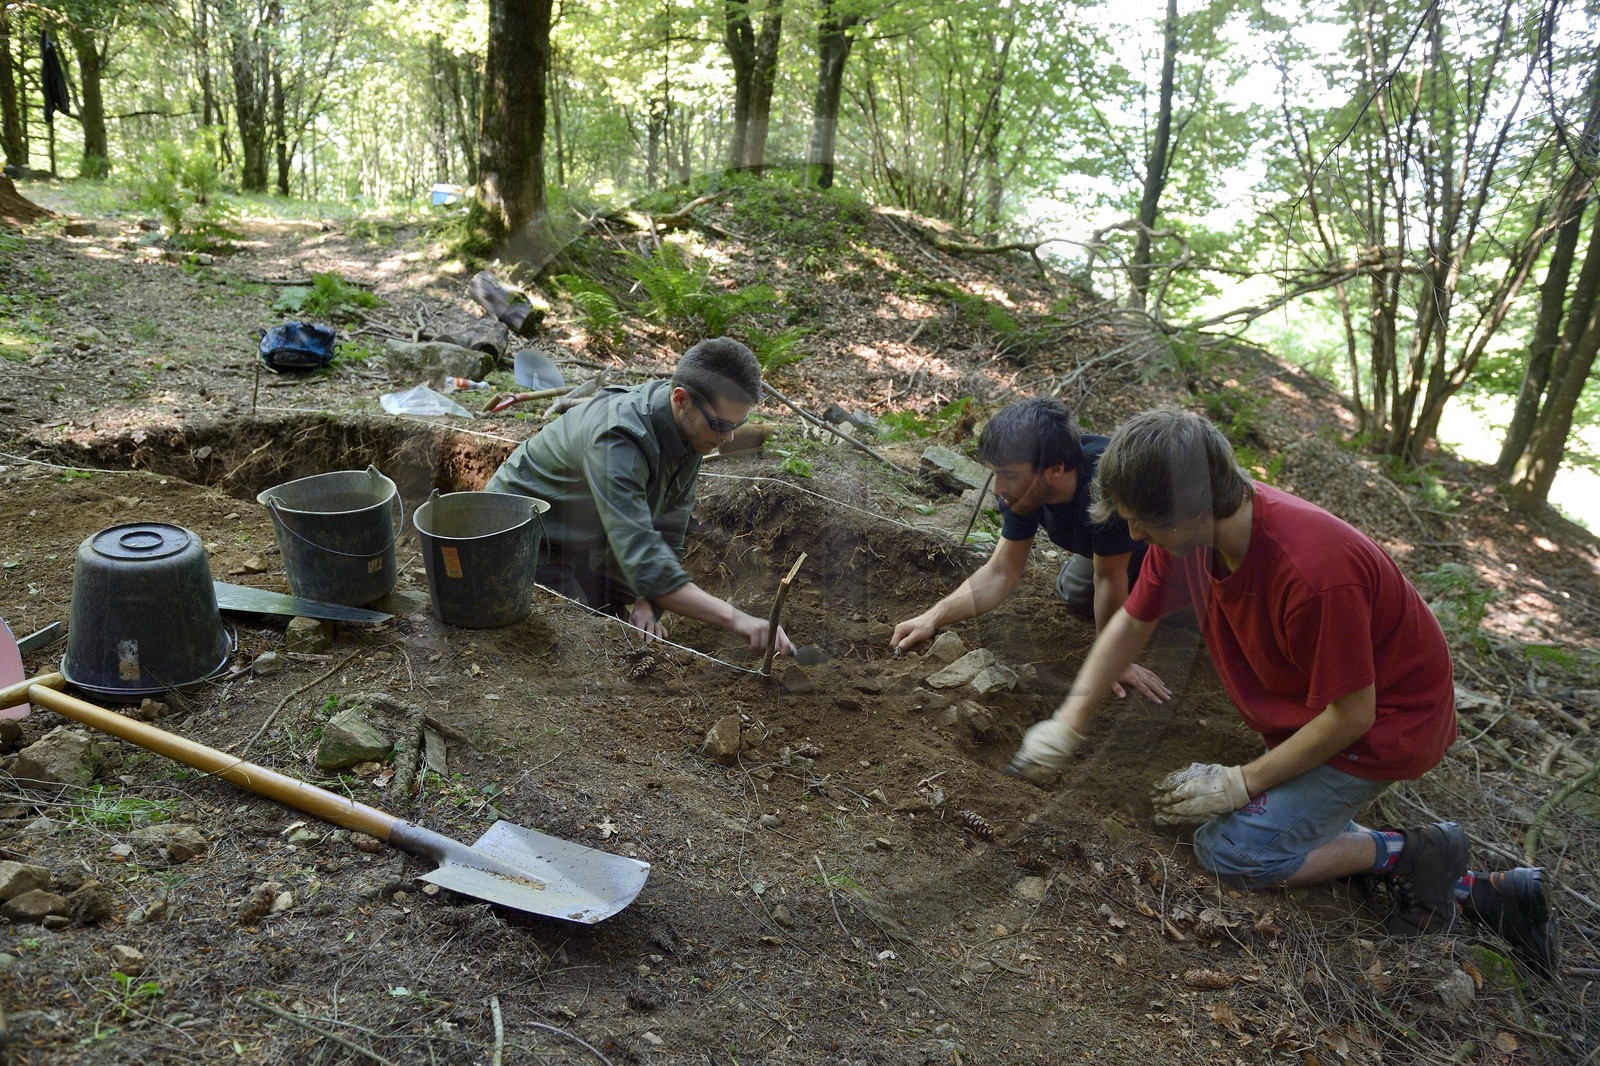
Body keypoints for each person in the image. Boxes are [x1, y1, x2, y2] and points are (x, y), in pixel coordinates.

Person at [1005, 406, 1559, 975]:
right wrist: (1069, 718)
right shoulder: (1195, 535)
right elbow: (1131, 621)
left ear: (1191, 508)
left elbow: (1352, 715)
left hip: (1385, 723)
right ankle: (1481, 891)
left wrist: (1240, 782)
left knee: (1231, 851)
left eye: (1145, 522)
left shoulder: (1313, 571)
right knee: (1288, 820)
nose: (1135, 535)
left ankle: (1417, 852)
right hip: (1314, 706)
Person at [486, 337, 793, 654]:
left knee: (615, 621)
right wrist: (738, 620)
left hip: (586, 535)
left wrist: (650, 603)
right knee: (584, 644)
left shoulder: (691, 428)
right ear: (681, 399)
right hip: (522, 539)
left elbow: (671, 528)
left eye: (737, 424)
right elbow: (641, 554)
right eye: (719, 424)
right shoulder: (619, 440)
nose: (727, 438)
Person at [890, 397, 1169, 701]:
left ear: (1055, 469)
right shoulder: (1022, 493)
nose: (997, 488)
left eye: (1009, 475)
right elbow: (1001, 572)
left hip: (1166, 545)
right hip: (1106, 550)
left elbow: (1108, 578)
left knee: (1161, 603)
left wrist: (1114, 660)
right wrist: (932, 617)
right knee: (1075, 592)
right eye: (995, 473)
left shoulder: (1106, 487)